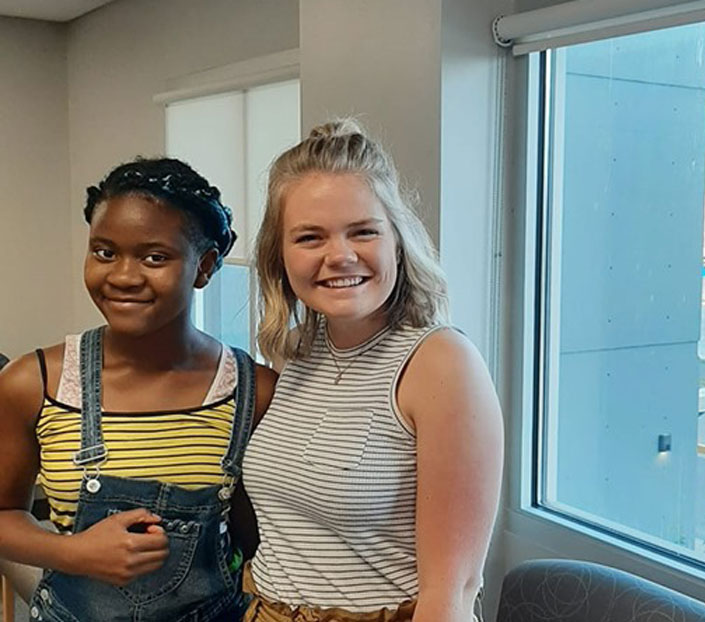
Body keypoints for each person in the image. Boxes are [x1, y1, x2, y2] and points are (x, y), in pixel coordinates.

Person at [243, 119, 503, 622]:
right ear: (280, 255)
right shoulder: (297, 351)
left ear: (398, 242)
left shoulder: (441, 365)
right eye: (309, 237)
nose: (339, 256)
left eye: (363, 231)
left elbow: (453, 593)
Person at [0, 158, 277, 622]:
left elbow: (261, 544)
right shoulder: (34, 383)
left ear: (204, 267)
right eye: (105, 252)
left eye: (154, 257)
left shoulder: (255, 392)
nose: (124, 276)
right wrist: (74, 553)